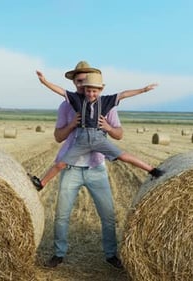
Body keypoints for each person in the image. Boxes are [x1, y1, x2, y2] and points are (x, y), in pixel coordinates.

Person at [38, 61, 124, 269]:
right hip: (71, 168)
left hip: (97, 168)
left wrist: (109, 128)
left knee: (108, 216)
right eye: (79, 81)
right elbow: (58, 137)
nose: (82, 85)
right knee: (61, 215)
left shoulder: (106, 105)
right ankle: (59, 254)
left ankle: (111, 255)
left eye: (86, 81)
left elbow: (119, 134)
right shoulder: (66, 105)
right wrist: (72, 123)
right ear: (75, 83)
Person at [30, 70, 164, 190]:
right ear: (84, 89)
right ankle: (41, 184)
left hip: (99, 139)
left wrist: (143, 90)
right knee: (61, 164)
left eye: (95, 91)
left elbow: (124, 94)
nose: (91, 94)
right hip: (81, 140)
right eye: (88, 90)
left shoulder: (106, 101)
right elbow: (59, 90)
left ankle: (152, 170)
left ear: (101, 90)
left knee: (123, 156)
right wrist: (44, 82)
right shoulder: (77, 99)